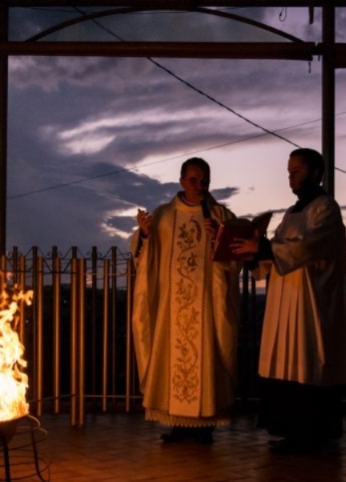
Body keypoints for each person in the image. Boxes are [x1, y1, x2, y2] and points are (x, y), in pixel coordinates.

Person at [231, 147, 346, 454]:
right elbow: (277, 253)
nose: (290, 177)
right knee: (285, 363)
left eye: (296, 171)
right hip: (285, 300)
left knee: (308, 360)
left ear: (315, 172)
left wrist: (264, 248)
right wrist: (253, 256)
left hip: (312, 303)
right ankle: (290, 429)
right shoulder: (290, 213)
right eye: (288, 172)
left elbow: (308, 246)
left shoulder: (326, 208)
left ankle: (312, 432)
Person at [130, 157, 240, 444]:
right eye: (193, 180)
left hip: (209, 304)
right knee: (171, 355)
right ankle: (178, 423)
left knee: (210, 354)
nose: (200, 186)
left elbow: (236, 260)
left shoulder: (220, 215)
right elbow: (144, 252)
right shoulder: (165, 216)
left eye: (205, 181)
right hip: (173, 306)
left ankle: (205, 424)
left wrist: (220, 240)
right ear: (181, 181)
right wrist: (143, 234)